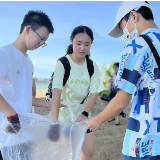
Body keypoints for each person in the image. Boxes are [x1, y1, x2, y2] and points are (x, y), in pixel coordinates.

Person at [86, 1, 160, 159]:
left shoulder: (136, 45)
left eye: (122, 26)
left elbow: (121, 100)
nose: (125, 33)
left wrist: (98, 119)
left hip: (146, 141)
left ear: (134, 15)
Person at [0, 10, 55, 159]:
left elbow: (25, 98)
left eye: (44, 42)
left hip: (23, 131)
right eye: (41, 39)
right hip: (5, 133)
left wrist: (49, 105)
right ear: (28, 29)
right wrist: (11, 116)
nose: (41, 44)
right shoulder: (4, 54)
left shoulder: (28, 62)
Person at [50, 25, 105, 160]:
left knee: (89, 151)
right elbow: (56, 94)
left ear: (91, 44)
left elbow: (93, 95)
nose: (82, 48)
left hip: (83, 116)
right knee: (66, 154)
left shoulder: (92, 66)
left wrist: (85, 113)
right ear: (71, 41)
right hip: (65, 117)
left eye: (87, 44)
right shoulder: (62, 63)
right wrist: (54, 124)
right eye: (78, 43)